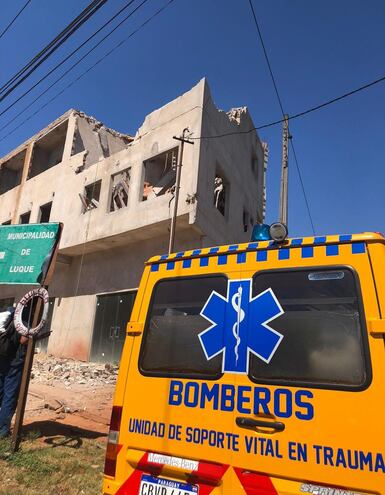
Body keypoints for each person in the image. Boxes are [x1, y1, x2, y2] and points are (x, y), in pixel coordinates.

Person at [0, 307, 28, 438]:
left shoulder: (6, 315)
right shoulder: (23, 319)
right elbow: (23, 340)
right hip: (14, 361)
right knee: (10, 395)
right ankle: (2, 430)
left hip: (1, 358)